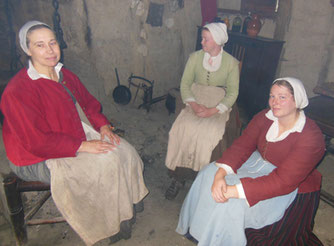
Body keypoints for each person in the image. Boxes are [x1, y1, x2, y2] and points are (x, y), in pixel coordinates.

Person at [0, 20, 148, 245]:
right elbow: (36, 141)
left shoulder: (64, 74)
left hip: (70, 133)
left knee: (124, 151)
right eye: (40, 45)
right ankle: (109, 224)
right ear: (27, 50)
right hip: (36, 156)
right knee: (104, 165)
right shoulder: (18, 90)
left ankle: (127, 207)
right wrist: (82, 146)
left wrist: (103, 126)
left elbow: (89, 104)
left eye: (53, 42)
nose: (50, 50)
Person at [176, 77, 325, 245]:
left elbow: (284, 181)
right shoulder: (265, 117)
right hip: (258, 162)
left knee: (231, 203)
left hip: (288, 182)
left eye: (282, 97)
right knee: (207, 173)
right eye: (272, 96)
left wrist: (235, 191)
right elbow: (243, 145)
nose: (274, 102)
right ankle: (201, 230)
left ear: (297, 100)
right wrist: (221, 173)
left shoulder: (311, 137)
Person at [164, 22, 240, 200]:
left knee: (211, 132)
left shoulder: (231, 63)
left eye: (206, 39)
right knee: (182, 128)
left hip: (219, 101)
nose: (202, 42)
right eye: (202, 38)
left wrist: (214, 110)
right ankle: (179, 177)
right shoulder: (195, 58)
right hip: (196, 98)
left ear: (218, 41)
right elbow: (185, 84)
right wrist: (194, 104)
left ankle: (208, 180)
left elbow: (233, 92)